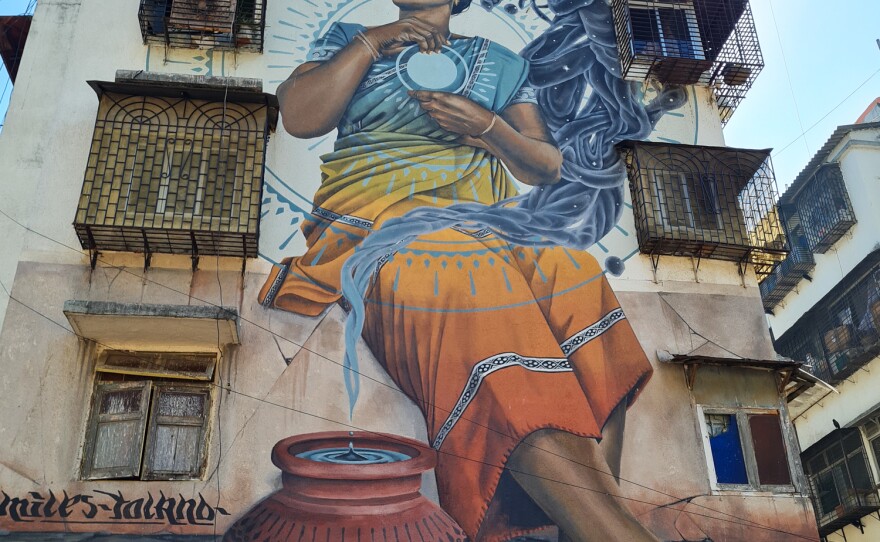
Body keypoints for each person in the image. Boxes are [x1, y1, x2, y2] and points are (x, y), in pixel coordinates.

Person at [259, 0, 657, 540]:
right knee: (472, 280)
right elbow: (301, 116)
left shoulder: (495, 61)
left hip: (487, 221)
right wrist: (378, 40)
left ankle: (588, 526)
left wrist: (490, 128)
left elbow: (544, 165)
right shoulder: (350, 37)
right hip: (374, 222)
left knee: (576, 272)